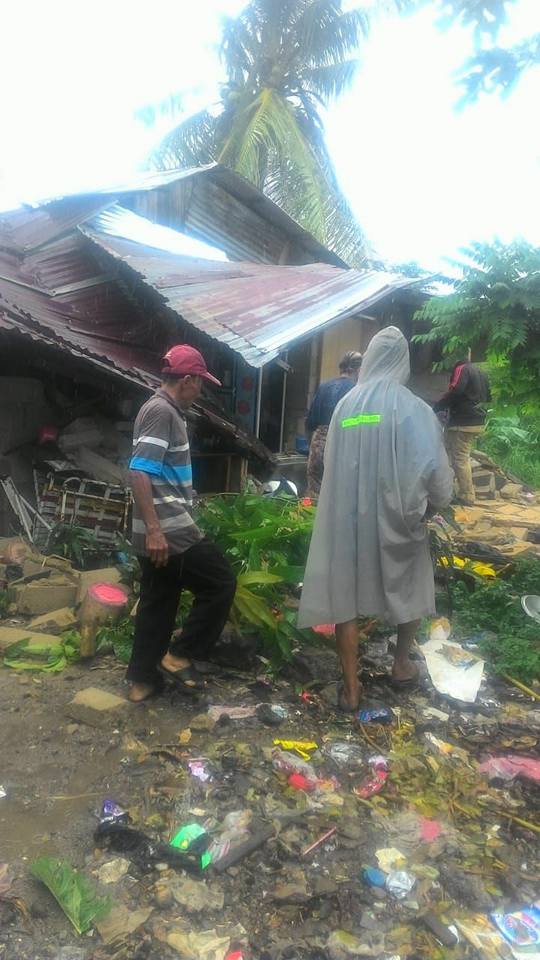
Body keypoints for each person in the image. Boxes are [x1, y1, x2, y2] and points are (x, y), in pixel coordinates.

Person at [298, 326, 453, 712]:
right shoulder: (415, 409)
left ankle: (351, 688)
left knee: (345, 598)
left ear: (368, 361)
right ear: (401, 361)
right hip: (398, 516)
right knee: (412, 585)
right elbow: (434, 469)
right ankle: (401, 665)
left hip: (347, 518)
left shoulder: (346, 407)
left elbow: (330, 462)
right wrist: (434, 505)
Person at [126, 344, 237, 703]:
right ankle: (180, 654)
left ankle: (143, 681)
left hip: (156, 526)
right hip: (168, 529)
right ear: (187, 380)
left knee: (159, 599)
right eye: (200, 382)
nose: (200, 389)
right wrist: (157, 530)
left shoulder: (161, 409)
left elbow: (159, 470)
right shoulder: (162, 412)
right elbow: (139, 471)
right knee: (220, 583)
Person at [433, 352, 491, 506]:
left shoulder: (462, 368)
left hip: (462, 421)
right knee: (453, 454)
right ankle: (452, 491)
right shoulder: (481, 372)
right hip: (477, 420)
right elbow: (488, 397)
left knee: (457, 458)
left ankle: (466, 495)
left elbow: (455, 391)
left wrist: (437, 406)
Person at [305, 350, 363, 496]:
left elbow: (310, 423)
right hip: (342, 447)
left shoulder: (324, 387)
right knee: (339, 495)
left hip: (319, 444)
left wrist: (312, 448)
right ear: (358, 370)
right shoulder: (358, 391)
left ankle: (308, 517)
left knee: (314, 493)